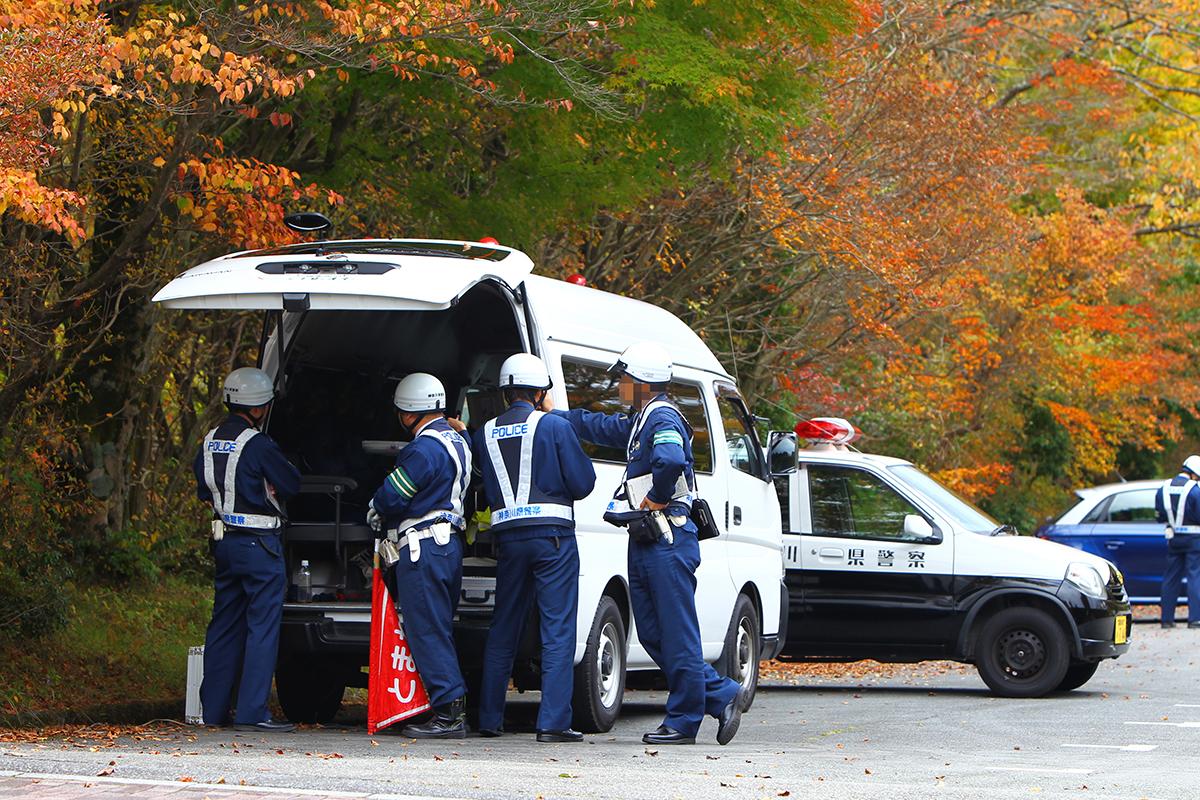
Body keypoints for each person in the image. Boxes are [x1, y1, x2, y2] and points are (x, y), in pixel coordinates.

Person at [551, 342, 748, 745]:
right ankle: (722, 694)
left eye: (625, 379)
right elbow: (604, 428)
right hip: (650, 539)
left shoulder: (662, 418)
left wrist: (657, 495)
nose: (620, 385)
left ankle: (683, 721)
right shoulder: (643, 418)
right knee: (656, 634)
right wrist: (555, 416)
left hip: (668, 538)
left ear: (642, 384)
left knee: (675, 633)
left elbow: (671, 461)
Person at [473, 354, 596, 742]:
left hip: (508, 539)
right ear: (541, 391)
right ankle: (553, 723)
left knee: (503, 626)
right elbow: (582, 483)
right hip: (552, 538)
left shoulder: (485, 432)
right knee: (557, 628)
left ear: (506, 392)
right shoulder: (555, 426)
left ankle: (489, 718)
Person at [193, 367, 301, 732]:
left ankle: (214, 711)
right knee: (262, 628)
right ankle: (253, 711)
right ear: (259, 408)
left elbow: (204, 490)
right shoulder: (258, 445)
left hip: (225, 543)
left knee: (223, 625)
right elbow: (290, 483)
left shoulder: (209, 441)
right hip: (260, 546)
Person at [368, 373, 473, 738]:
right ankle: (451, 706)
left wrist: (377, 506)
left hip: (423, 547)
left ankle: (449, 712)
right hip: (449, 545)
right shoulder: (458, 440)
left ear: (408, 412)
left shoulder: (423, 449)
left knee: (426, 629)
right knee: (439, 626)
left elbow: (393, 495)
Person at [1155, 455, 1200, 629]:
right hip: (1194, 540)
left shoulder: (1164, 488)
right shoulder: (1195, 490)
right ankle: (1195, 619)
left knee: (1170, 578)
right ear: (1195, 473)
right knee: (1194, 577)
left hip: (1173, 538)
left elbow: (1159, 515)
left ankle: (1166, 619)